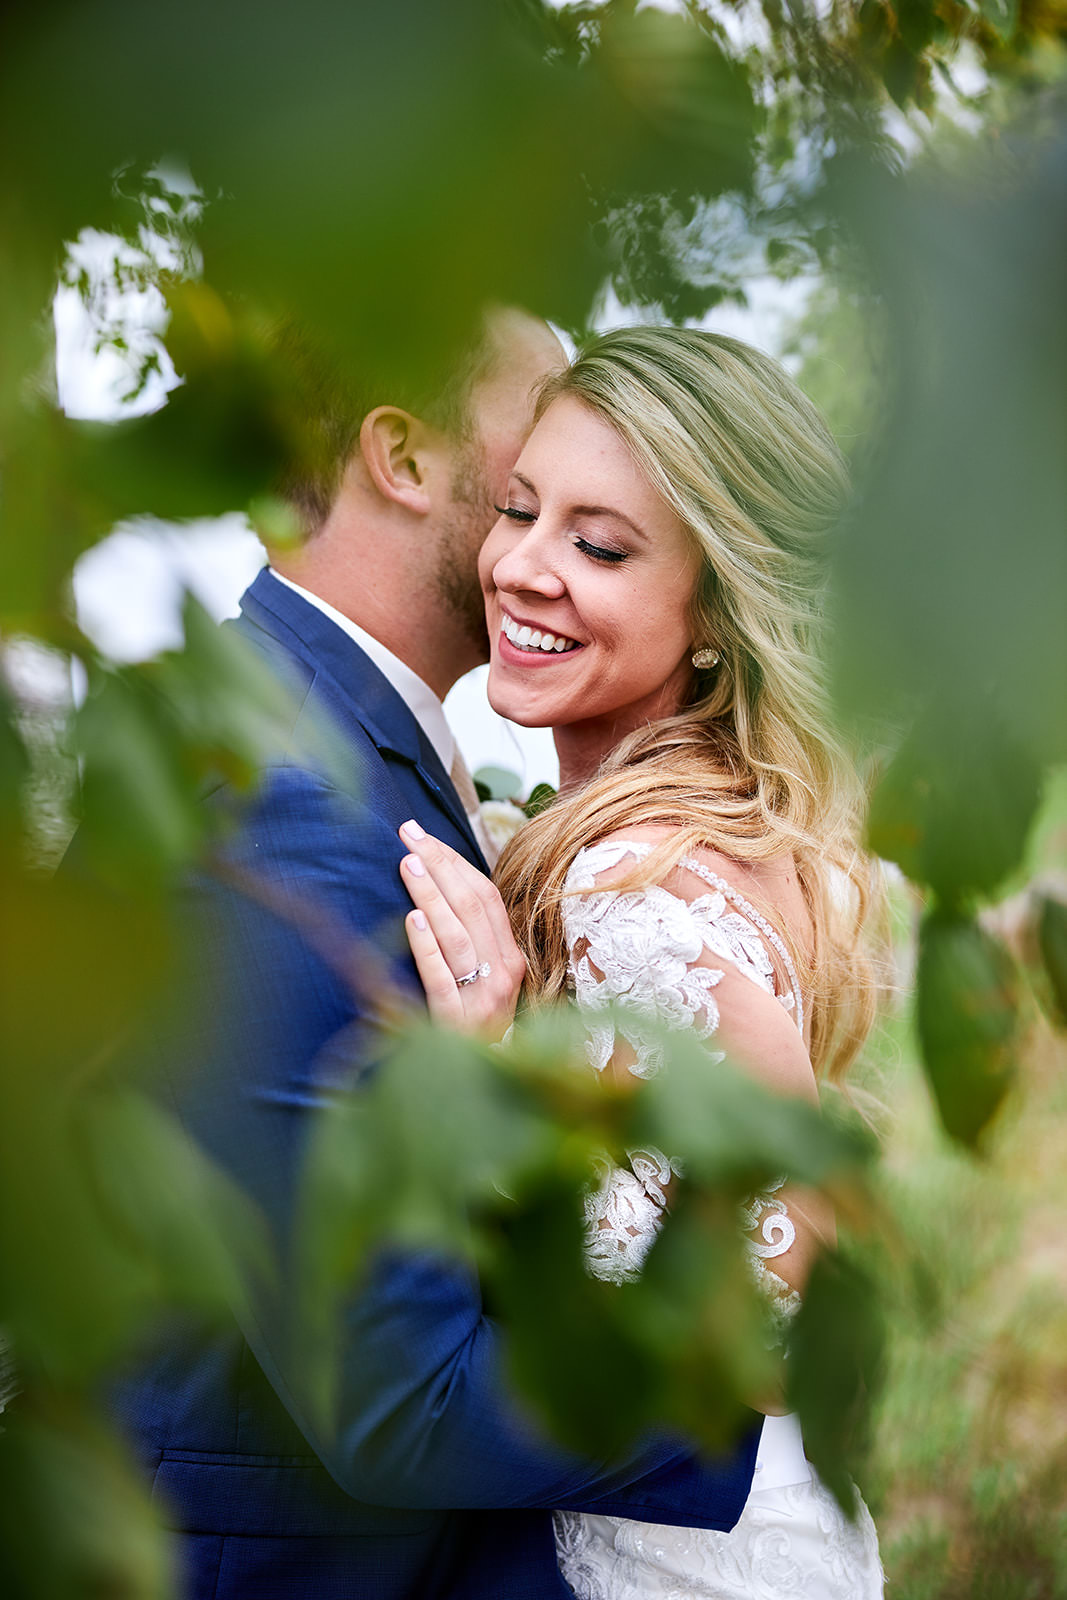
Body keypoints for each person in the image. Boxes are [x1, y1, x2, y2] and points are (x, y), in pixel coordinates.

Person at [105, 307, 766, 1600]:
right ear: (404, 462)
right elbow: (398, 1404)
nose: (578, 458)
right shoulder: (292, 800)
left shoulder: (346, 745)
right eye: (530, 460)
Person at [399, 326, 886, 1598]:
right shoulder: (726, 824)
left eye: (598, 545)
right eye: (518, 509)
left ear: (717, 613)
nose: (519, 567)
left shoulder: (629, 889)